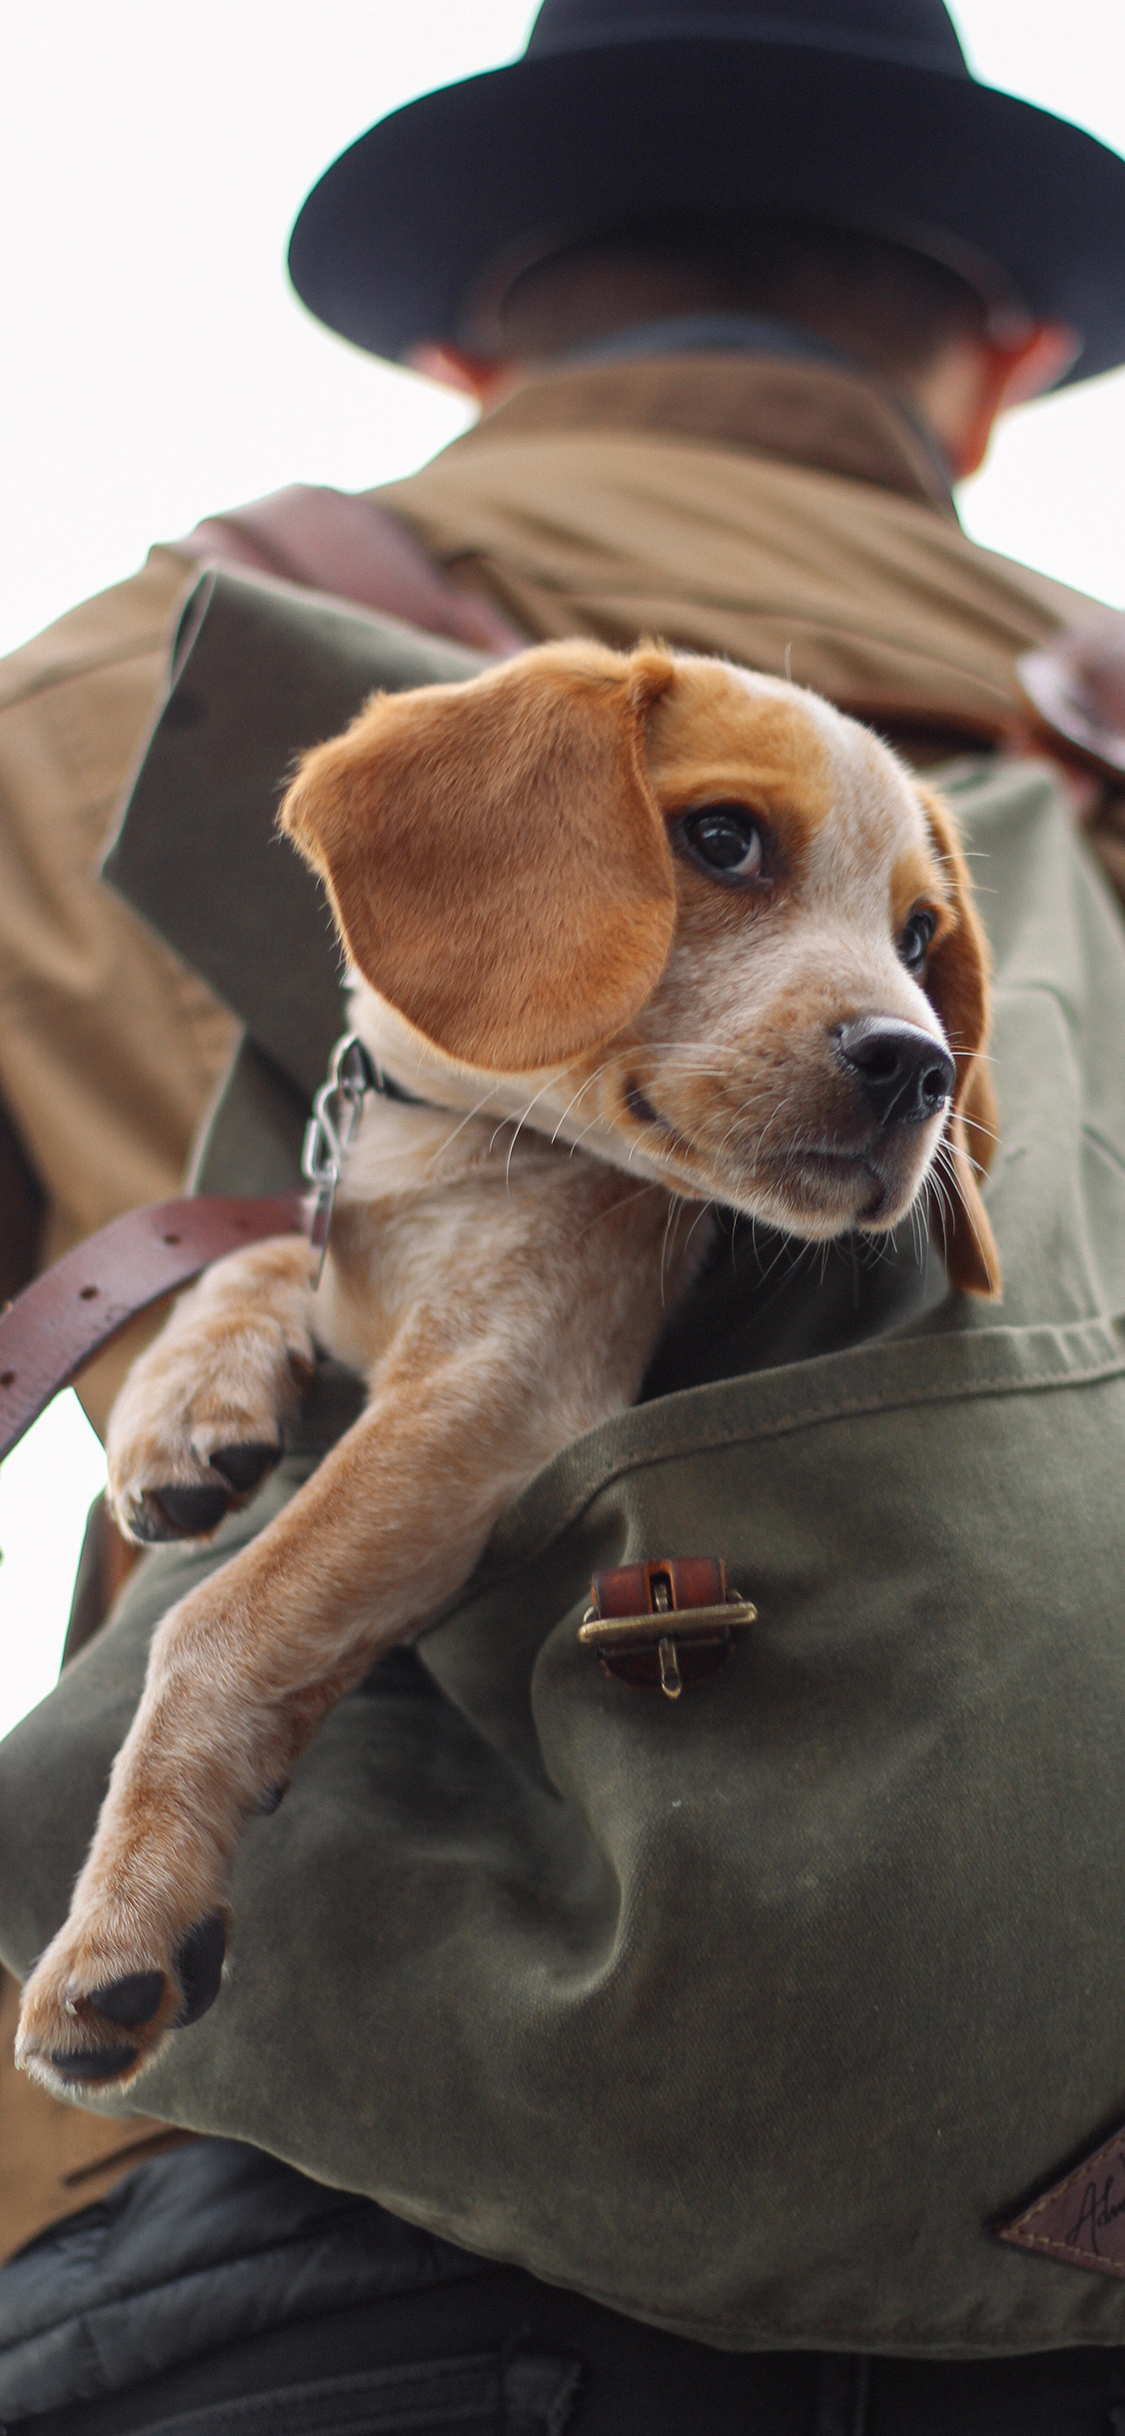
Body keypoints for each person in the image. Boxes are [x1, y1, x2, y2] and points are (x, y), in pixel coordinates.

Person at [3, 1, 1125, 2425]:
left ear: (463, 337)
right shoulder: (1080, 768)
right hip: (1070, 2202)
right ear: (996, 363)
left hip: (309, 2195)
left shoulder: (116, 688)